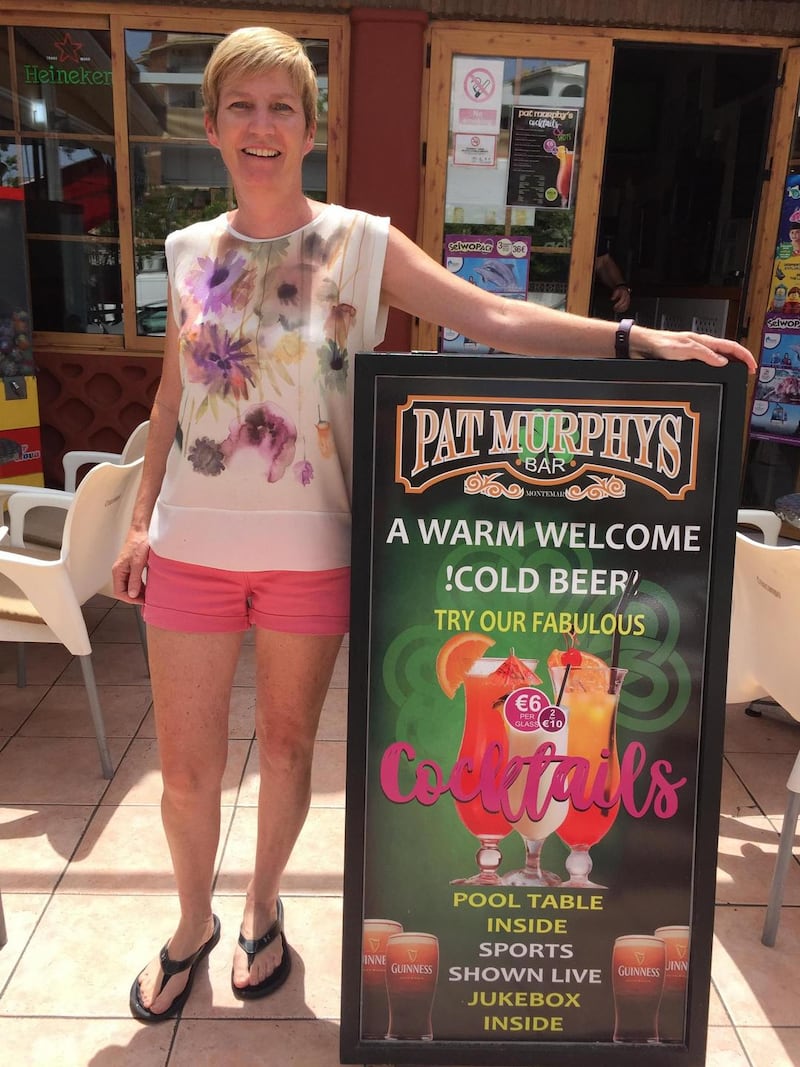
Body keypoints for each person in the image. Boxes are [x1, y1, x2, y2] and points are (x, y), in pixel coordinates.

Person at [113, 26, 756, 1024]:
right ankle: (191, 921)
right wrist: (137, 519)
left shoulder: (358, 243)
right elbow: (171, 397)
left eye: (281, 107)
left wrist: (632, 338)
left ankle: (261, 908)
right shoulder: (189, 250)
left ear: (312, 129)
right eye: (240, 105)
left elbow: (489, 317)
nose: (260, 125)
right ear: (212, 125)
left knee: (286, 749)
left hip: (311, 551)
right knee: (188, 773)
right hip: (189, 545)